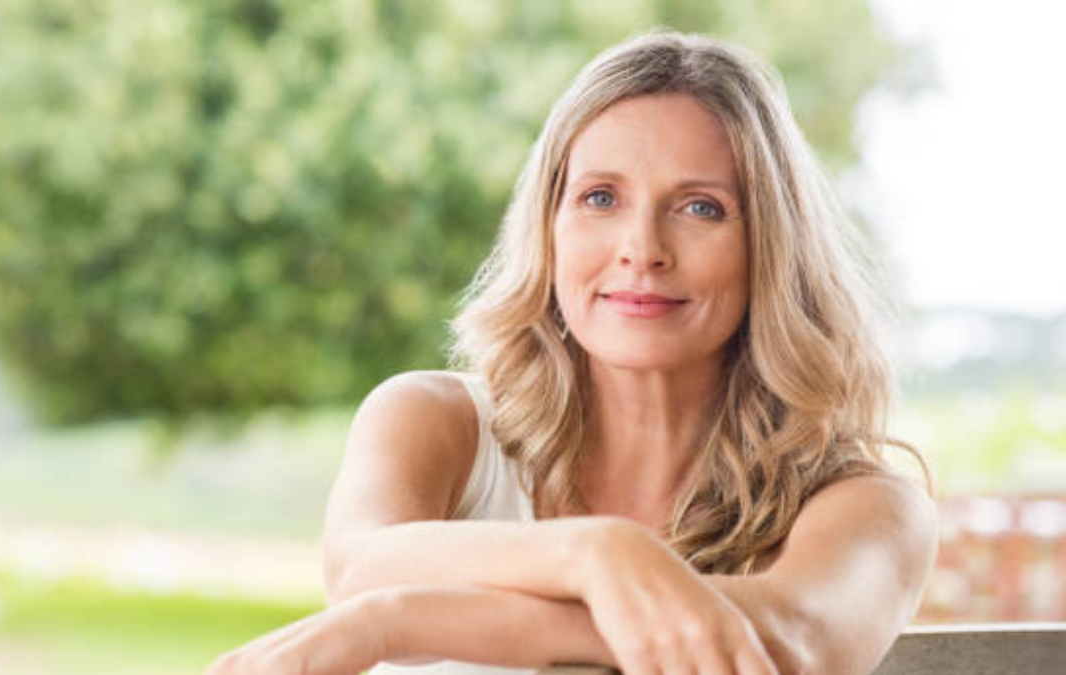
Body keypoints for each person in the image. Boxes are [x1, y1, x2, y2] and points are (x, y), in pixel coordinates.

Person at [206, 29, 938, 675]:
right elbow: (363, 564)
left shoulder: (871, 504)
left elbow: (785, 642)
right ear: (548, 226)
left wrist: (395, 620)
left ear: (770, 248)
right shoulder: (434, 421)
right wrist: (595, 554)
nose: (642, 250)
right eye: (599, 198)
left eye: (700, 207)